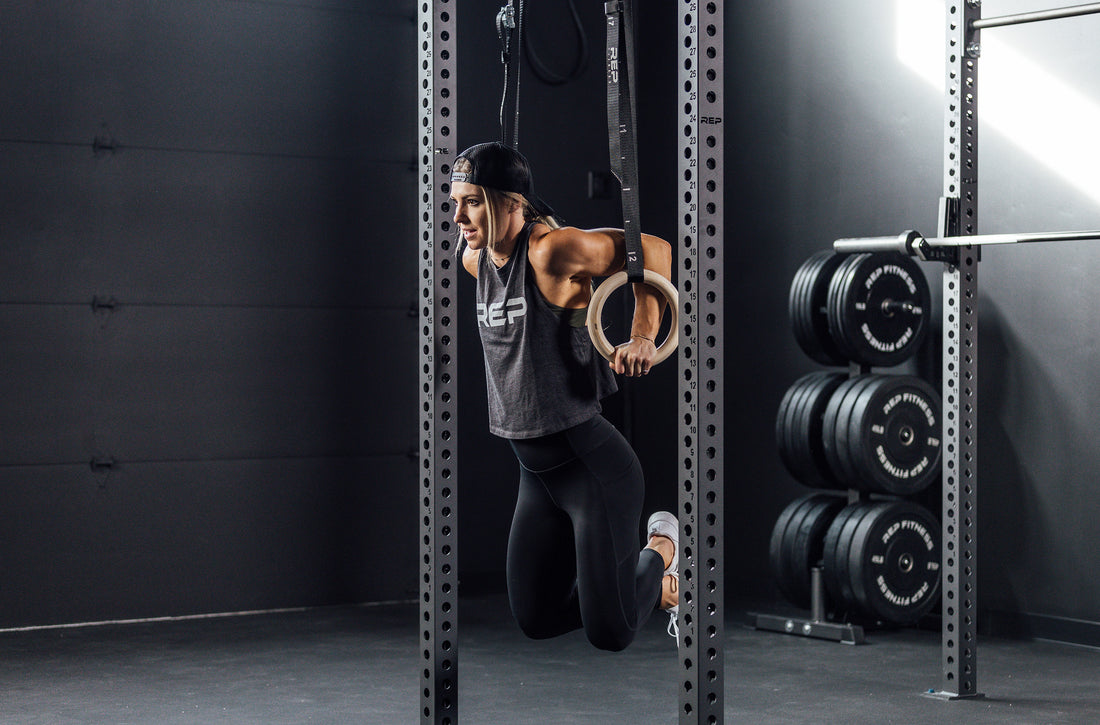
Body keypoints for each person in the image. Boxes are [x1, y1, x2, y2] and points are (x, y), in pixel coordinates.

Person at [450, 141, 679, 651]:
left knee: (612, 632)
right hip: (537, 475)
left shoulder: (550, 251)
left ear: (513, 203)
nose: (460, 216)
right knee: (536, 617)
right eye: (456, 201)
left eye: (472, 201)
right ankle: (652, 592)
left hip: (593, 468)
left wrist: (642, 335)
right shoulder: (475, 259)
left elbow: (655, 250)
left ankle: (663, 548)